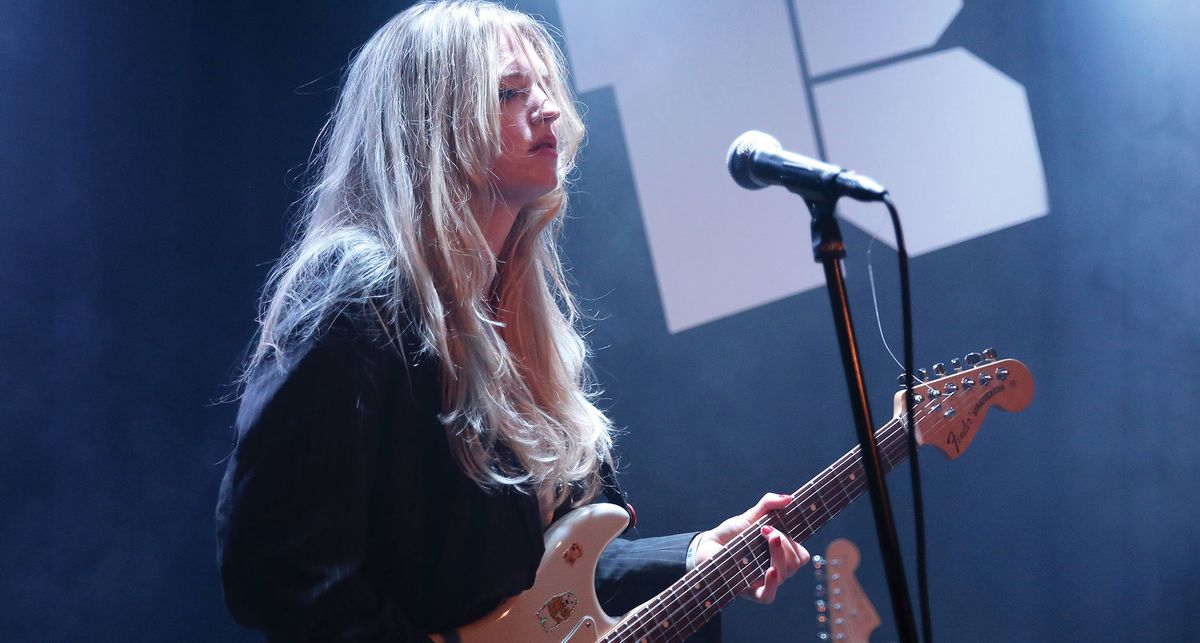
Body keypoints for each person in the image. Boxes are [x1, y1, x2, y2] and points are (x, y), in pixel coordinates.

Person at [215, 2, 808, 641]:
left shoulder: (517, 318)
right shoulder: (361, 288)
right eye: (510, 92)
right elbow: (276, 564)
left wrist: (692, 558)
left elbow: (555, 572)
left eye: (545, 88)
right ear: (432, 123)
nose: (550, 108)